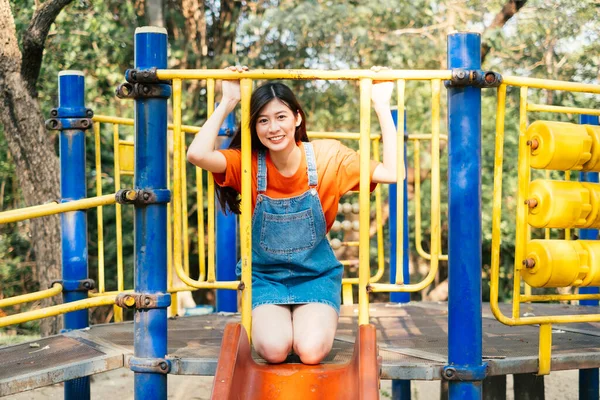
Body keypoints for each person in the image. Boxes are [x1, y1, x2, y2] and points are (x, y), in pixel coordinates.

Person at [187, 66, 401, 365]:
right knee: (274, 350)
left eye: (281, 117)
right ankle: (280, 324)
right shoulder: (248, 164)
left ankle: (306, 322)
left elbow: (392, 173)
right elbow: (196, 155)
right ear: (254, 127)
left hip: (315, 276)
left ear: (297, 118)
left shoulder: (328, 157)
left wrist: (381, 105)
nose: (273, 128)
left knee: (311, 351)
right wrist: (228, 101)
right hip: (266, 278)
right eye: (263, 120)